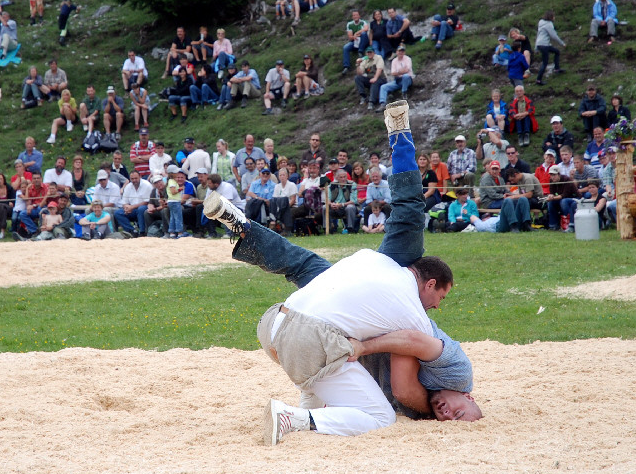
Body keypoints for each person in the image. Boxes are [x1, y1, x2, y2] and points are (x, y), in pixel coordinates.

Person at [204, 100, 479, 445]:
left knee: (304, 265)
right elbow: (405, 387)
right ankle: (400, 134)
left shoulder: (400, 305)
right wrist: (423, 408)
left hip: (355, 286)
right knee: (408, 211)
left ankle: (242, 226)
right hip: (392, 269)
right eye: (441, 297)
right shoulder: (446, 357)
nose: (438, 307)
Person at [115, 170, 152, 236]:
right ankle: (132, 231)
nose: (134, 180)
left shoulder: (147, 185)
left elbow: (147, 201)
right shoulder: (128, 187)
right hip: (132, 209)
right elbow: (124, 202)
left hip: (144, 208)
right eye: (132, 179)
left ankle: (142, 231)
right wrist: (126, 208)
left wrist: (132, 207)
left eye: (136, 178)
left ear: (140, 177)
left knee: (141, 209)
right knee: (118, 213)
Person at [535, 11, 566, 86]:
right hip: (544, 45)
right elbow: (554, 36)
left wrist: (536, 47)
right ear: (551, 17)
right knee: (545, 63)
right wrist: (562, 43)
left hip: (540, 44)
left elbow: (538, 34)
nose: (554, 18)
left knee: (557, 51)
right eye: (554, 16)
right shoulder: (549, 24)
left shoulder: (541, 22)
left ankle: (557, 68)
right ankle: (538, 80)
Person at [546, 166, 580, 232]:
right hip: (560, 198)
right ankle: (553, 225)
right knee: (550, 203)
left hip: (574, 198)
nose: (552, 177)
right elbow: (552, 192)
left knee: (564, 201)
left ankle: (569, 224)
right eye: (551, 175)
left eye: (554, 175)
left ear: (559, 174)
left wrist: (553, 198)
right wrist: (550, 196)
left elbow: (564, 195)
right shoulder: (551, 181)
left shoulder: (566, 179)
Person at [355, 47, 386, 112]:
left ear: (373, 52)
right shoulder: (365, 60)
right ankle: (363, 96)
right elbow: (360, 73)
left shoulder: (378, 58)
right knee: (357, 78)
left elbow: (379, 69)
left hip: (381, 78)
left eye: (371, 52)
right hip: (370, 78)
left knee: (375, 82)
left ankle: (372, 101)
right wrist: (358, 65)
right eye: (368, 52)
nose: (369, 54)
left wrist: (375, 78)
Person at [341, 10, 370, 74]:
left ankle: (360, 51)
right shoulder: (350, 24)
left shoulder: (363, 22)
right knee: (346, 47)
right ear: (352, 17)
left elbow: (366, 29)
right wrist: (354, 36)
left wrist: (357, 33)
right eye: (354, 15)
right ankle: (346, 66)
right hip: (355, 41)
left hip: (364, 40)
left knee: (364, 34)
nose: (355, 16)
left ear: (359, 16)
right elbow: (350, 37)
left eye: (356, 15)